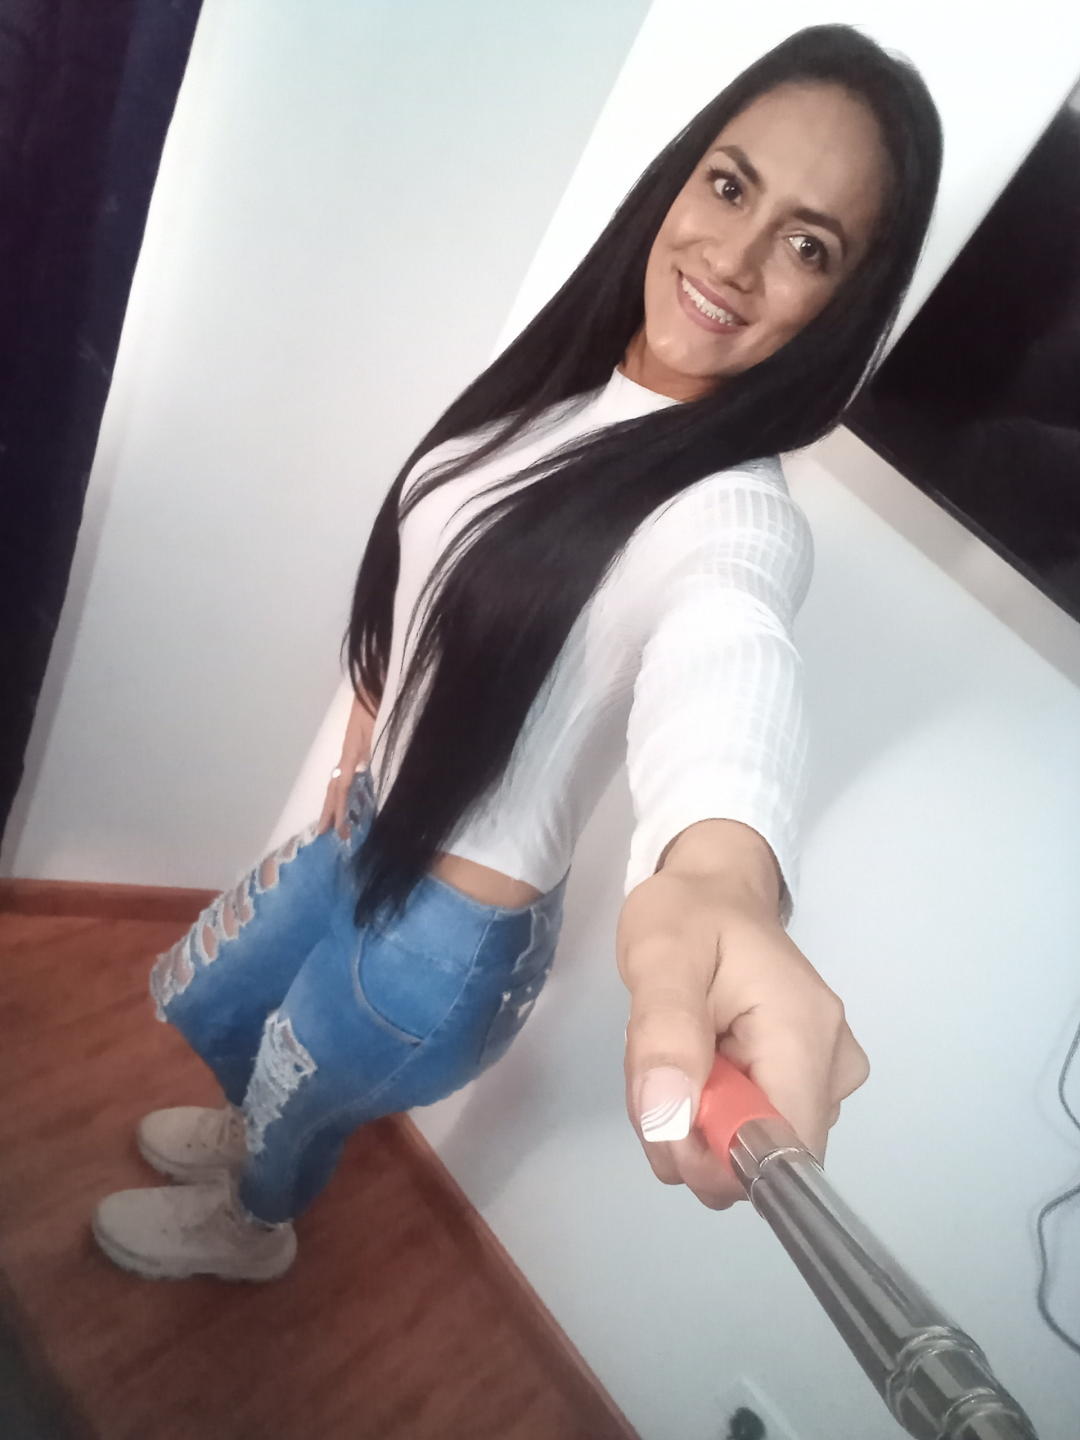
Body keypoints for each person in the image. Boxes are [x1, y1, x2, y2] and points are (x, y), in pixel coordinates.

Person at [92, 23, 942, 1281]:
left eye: (808, 246)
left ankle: (251, 1224)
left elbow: (733, 649)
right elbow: (424, 586)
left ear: (843, 306)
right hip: (365, 830)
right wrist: (359, 748)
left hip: (442, 936)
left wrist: (723, 883)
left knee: (304, 1092)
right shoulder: (565, 390)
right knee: (236, 1006)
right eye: (730, 185)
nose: (736, 255)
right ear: (681, 177)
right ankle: (251, 1136)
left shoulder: (731, 515)